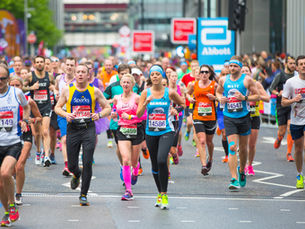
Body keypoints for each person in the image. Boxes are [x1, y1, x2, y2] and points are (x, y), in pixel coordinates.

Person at [55, 64, 111, 206]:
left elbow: (108, 108)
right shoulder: (68, 90)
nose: (80, 74)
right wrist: (66, 114)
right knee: (72, 165)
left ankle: (84, 194)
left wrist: (98, 115)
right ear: (75, 74)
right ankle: (76, 174)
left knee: (87, 162)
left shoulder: (95, 91)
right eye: (78, 72)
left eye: (83, 72)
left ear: (88, 75)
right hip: (73, 129)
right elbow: (57, 107)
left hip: (88, 129)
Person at [137, 65, 185, 210]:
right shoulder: (145, 93)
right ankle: (159, 192)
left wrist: (175, 109)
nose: (155, 77)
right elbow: (139, 114)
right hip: (151, 132)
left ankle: (164, 194)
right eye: (153, 74)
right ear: (150, 77)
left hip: (166, 130)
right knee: (154, 165)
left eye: (158, 74)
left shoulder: (169, 92)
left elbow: (183, 103)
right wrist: (146, 102)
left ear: (162, 76)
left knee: (161, 159)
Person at [216, 56, 259, 191]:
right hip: (229, 117)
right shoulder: (223, 80)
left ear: (240, 67)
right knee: (232, 147)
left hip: (244, 117)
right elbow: (218, 92)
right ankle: (234, 178)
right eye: (230, 66)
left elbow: (257, 96)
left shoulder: (247, 80)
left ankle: (241, 171)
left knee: (243, 148)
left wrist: (244, 98)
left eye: (235, 66)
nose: (232, 68)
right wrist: (220, 98)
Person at [0, 64, 30, 226]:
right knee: (0, 182)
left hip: (13, 142)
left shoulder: (16, 93)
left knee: (5, 173)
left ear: (8, 79)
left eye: (3, 79)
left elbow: (26, 107)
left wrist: (25, 120)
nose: (0, 82)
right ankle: (7, 212)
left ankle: (12, 203)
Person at [9, 77, 42, 205]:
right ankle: (12, 184)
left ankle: (18, 194)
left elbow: (39, 117)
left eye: (18, 85)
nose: (16, 87)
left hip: (25, 134)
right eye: (13, 85)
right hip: (10, 135)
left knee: (20, 165)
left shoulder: (29, 101)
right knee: (11, 169)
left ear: (22, 87)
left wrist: (30, 120)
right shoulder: (4, 101)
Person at [112, 74, 143, 200]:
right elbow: (114, 109)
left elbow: (144, 116)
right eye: (123, 82)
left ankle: (135, 170)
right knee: (126, 160)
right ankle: (128, 190)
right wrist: (114, 114)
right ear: (121, 84)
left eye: (128, 83)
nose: (125, 85)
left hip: (136, 129)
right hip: (122, 130)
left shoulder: (137, 98)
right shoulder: (116, 98)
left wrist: (130, 117)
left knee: (134, 162)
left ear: (132, 85)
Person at [23, 55, 55, 167]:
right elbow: (20, 87)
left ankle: (46, 156)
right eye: (38, 62)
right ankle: (38, 151)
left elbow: (55, 87)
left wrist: (53, 89)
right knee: (36, 133)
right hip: (34, 108)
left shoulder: (49, 76)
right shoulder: (30, 76)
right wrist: (31, 88)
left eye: (42, 62)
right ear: (34, 64)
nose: (40, 64)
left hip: (46, 106)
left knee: (45, 131)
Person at [188, 65, 217, 175]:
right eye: (202, 72)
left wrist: (214, 98)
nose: (204, 74)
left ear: (209, 74)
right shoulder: (193, 84)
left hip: (211, 117)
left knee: (209, 142)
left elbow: (221, 97)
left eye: (206, 72)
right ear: (199, 74)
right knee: (202, 141)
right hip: (198, 116)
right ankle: (204, 165)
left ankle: (210, 159)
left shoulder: (214, 85)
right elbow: (187, 93)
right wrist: (189, 98)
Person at [281, 55, 305, 189]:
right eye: (301, 64)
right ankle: (299, 174)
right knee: (299, 149)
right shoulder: (291, 82)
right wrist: (293, 100)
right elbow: (283, 102)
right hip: (296, 120)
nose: (303, 66)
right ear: (297, 67)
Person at [241, 65, 270, 176]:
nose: (245, 73)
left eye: (247, 71)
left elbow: (267, 98)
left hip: (254, 116)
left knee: (251, 145)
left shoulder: (256, 84)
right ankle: (242, 165)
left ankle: (250, 165)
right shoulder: (238, 85)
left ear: (250, 73)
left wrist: (256, 96)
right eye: (243, 71)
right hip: (241, 116)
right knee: (242, 145)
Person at [269, 56, 296, 162]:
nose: (293, 65)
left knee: (290, 128)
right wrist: (278, 93)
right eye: (290, 63)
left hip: (292, 106)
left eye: (294, 63)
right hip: (281, 106)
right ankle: (279, 138)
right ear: (285, 64)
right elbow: (271, 88)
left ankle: (289, 153)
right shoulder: (280, 76)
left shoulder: (296, 76)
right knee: (282, 131)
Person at [54, 57, 76, 176]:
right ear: (64, 66)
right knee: (65, 139)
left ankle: (75, 161)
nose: (69, 67)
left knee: (74, 140)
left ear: (75, 67)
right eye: (67, 64)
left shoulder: (78, 80)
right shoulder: (59, 78)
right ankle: (67, 165)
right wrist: (57, 95)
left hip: (75, 114)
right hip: (63, 113)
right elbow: (56, 90)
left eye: (71, 65)